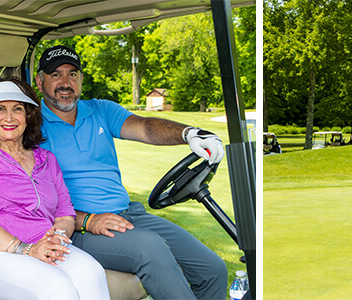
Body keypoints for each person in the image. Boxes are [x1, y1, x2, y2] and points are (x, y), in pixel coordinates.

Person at [35, 45, 227, 299]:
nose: (65, 82)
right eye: (56, 74)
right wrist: (88, 220)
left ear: (81, 79)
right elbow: (33, 198)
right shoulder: (30, 125)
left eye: (72, 74)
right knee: (151, 248)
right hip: (77, 228)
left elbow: (145, 127)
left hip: (128, 214)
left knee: (213, 269)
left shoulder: (101, 110)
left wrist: (189, 134)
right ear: (40, 81)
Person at [0, 78, 110, 299]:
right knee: (55, 287)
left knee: (92, 273)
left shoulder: (47, 159)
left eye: (17, 109)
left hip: (42, 244)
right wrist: (24, 249)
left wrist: (57, 238)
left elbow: (64, 213)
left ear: (28, 116)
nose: (8, 117)